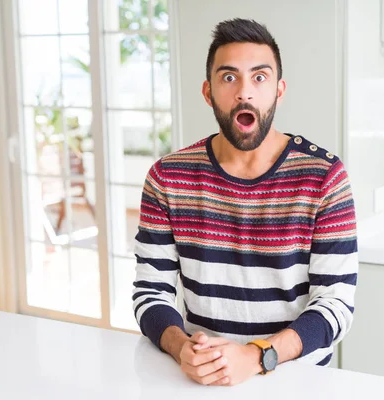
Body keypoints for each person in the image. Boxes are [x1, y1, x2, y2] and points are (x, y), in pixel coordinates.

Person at [132, 18, 358, 387]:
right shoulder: (167, 178)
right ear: (208, 92)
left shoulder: (324, 177)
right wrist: (181, 348)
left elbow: (335, 305)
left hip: (295, 379)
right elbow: (150, 291)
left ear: (279, 90)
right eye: (228, 77)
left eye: (259, 77)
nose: (244, 92)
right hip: (200, 378)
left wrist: (257, 355)